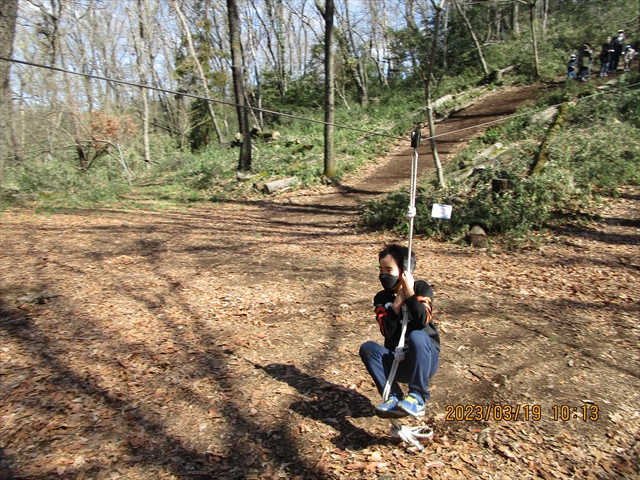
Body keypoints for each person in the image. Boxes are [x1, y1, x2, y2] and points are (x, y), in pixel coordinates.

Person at [359, 244, 440, 419]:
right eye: (381, 269)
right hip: (398, 361)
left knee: (417, 335)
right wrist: (396, 305)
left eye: (389, 269)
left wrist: (409, 294)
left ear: (404, 271)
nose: (383, 275)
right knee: (367, 348)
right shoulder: (382, 298)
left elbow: (423, 319)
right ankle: (393, 397)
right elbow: (387, 331)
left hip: (424, 360)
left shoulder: (421, 289)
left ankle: (417, 397)